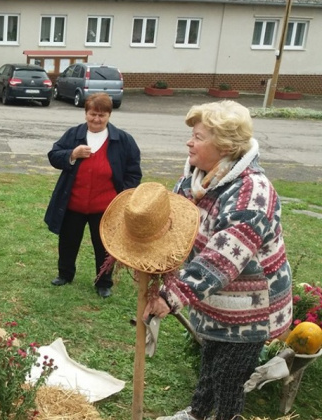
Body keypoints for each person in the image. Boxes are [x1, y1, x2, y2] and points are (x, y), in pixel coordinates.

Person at [143, 101, 293, 420]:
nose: (189, 141)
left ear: (224, 145)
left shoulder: (252, 192)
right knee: (210, 358)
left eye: (198, 136)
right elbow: (175, 227)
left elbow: (223, 256)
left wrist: (171, 296)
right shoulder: (196, 180)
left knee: (229, 380)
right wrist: (149, 259)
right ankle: (197, 413)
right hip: (216, 299)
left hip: (253, 308)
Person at [44, 92, 142, 298]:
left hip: (105, 207)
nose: (96, 119)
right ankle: (65, 274)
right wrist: (71, 154)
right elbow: (53, 156)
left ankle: (103, 282)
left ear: (109, 116)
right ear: (85, 113)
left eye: (101, 115)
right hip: (73, 204)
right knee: (68, 241)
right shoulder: (74, 135)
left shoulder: (123, 140)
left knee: (104, 246)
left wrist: (121, 195)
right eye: (92, 114)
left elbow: (133, 172)